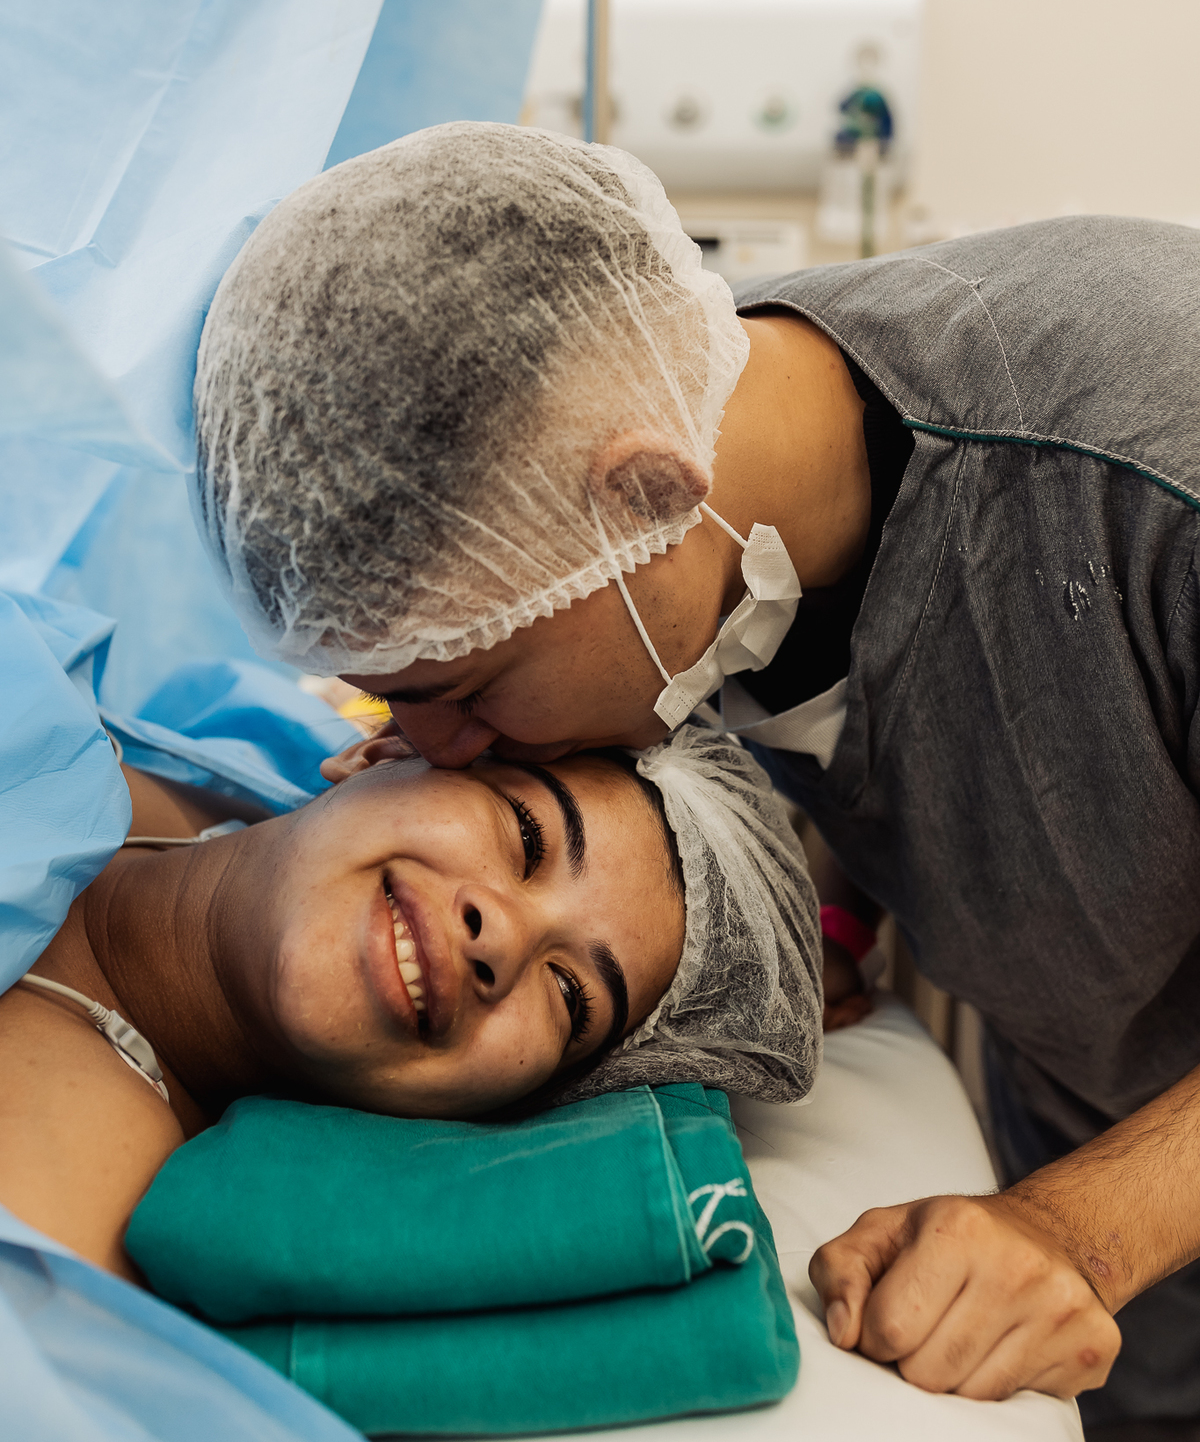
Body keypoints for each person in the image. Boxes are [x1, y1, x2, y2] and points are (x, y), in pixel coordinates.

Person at [193, 120, 1200, 1423]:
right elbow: (937, 711)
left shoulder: (1150, 490)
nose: (429, 753)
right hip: (1098, 1123)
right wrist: (817, 913)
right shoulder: (664, 425)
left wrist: (1080, 1232)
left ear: (646, 498)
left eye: (464, 693)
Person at [0, 722, 822, 1284]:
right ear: (381, 750)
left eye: (571, 996)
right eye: (528, 835)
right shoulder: (206, 742)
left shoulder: (60, 1217)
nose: (502, 936)